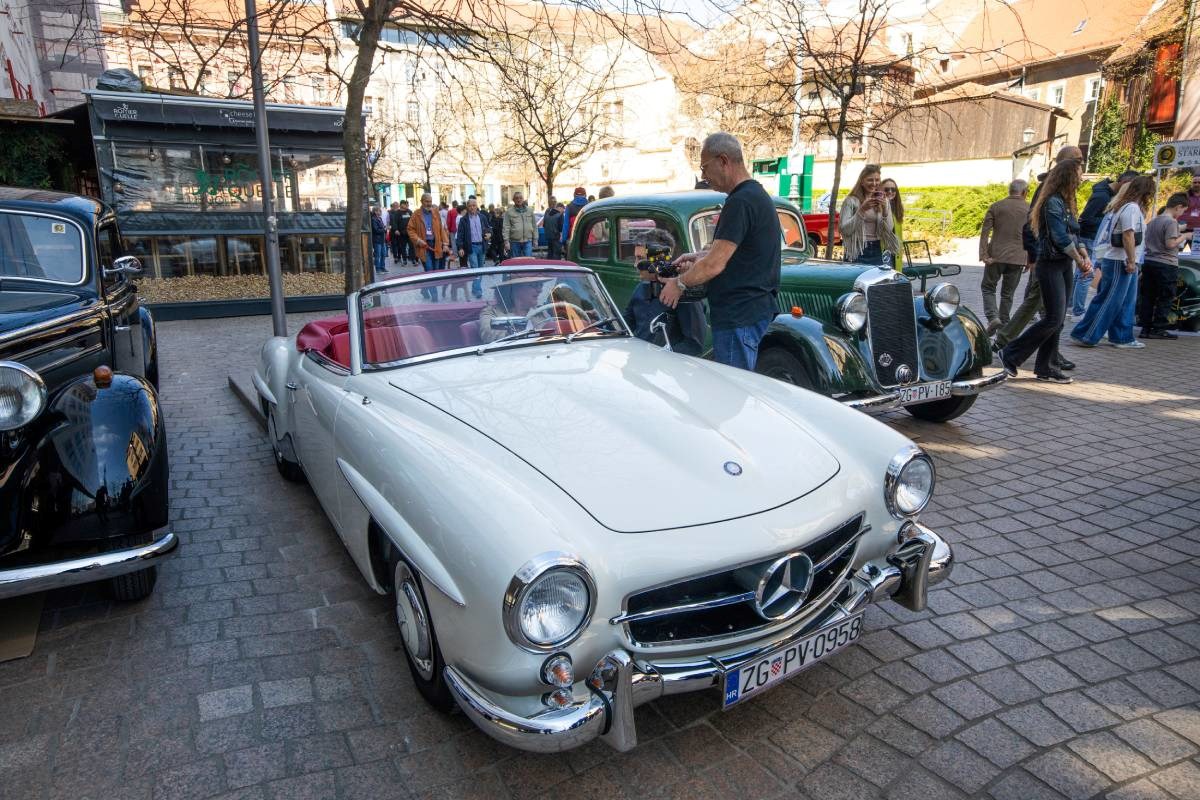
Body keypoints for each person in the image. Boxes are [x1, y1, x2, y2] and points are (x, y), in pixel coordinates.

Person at [659, 132, 781, 370]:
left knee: (732, 387)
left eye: (704, 168)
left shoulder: (740, 202)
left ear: (723, 160)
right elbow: (739, 253)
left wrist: (678, 284)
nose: (704, 176)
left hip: (738, 316)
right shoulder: (755, 196)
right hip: (751, 312)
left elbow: (715, 264)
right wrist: (698, 256)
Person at [992, 145, 1084, 375]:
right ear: (1068, 169)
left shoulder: (1065, 198)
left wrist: (1082, 252)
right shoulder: (1051, 197)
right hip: (1049, 260)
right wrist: (1033, 256)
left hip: (1061, 262)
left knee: (1054, 315)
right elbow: (1053, 234)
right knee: (1049, 314)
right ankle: (1009, 349)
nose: (1082, 171)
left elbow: (1074, 230)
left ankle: (1047, 363)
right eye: (1079, 164)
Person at [1071, 175, 1156, 349]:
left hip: (1120, 259)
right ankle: (1086, 335)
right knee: (1110, 300)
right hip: (1120, 260)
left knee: (1124, 301)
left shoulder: (1123, 206)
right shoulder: (1131, 208)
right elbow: (1128, 234)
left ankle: (1121, 337)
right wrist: (1131, 261)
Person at [622, 231, 707, 356]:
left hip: (663, 365)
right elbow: (625, 323)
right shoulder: (641, 287)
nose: (635, 265)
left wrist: (658, 357)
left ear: (658, 259)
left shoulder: (683, 292)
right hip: (637, 359)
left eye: (640, 259)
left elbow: (694, 345)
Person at [1074, 170, 1139, 317]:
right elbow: (1085, 219)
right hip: (1090, 238)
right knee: (1086, 274)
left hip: (1092, 238)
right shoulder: (1102, 196)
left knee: (1082, 273)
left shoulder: (1107, 194)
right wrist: (1111, 220)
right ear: (1124, 183)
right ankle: (1078, 310)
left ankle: (1073, 306)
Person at [1138, 192, 1194, 339]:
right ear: (1178, 207)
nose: (1181, 214)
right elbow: (1170, 244)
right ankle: (1159, 328)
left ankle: (1145, 328)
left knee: (1148, 297)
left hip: (1149, 262)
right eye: (1183, 211)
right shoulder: (1171, 222)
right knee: (1165, 297)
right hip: (1166, 264)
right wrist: (1185, 236)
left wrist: (1181, 229)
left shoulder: (1153, 221)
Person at [979, 179, 1030, 334]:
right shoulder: (1030, 209)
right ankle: (1004, 326)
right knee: (1008, 294)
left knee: (988, 288)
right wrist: (1030, 258)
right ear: (1024, 192)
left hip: (995, 256)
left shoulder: (996, 206)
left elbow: (985, 232)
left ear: (1009, 191)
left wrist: (984, 254)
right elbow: (1033, 235)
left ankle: (993, 318)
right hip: (1018, 258)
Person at [839, 164, 901, 265]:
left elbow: (889, 229)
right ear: (862, 181)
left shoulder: (883, 200)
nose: (874, 183)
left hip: (876, 250)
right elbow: (844, 230)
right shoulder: (851, 201)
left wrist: (885, 210)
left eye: (877, 180)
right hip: (856, 250)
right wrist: (862, 210)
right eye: (870, 180)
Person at [478, 275, 545, 342]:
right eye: (534, 285)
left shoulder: (541, 311)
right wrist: (511, 334)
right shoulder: (491, 312)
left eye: (541, 285)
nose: (540, 290)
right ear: (514, 288)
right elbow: (487, 334)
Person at [407, 192, 451, 280]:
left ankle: (429, 286)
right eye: (426, 201)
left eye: (430, 201)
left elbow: (441, 229)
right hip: (424, 245)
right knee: (429, 270)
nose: (429, 204)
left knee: (436, 271)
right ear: (421, 201)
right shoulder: (416, 214)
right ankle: (433, 288)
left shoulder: (435, 213)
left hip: (436, 245)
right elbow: (410, 229)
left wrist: (445, 244)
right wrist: (417, 240)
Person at [456, 197, 490, 299]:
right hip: (471, 247)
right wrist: (460, 248)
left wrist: (489, 234)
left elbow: (489, 228)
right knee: (475, 268)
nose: (472, 208)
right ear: (467, 207)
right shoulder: (463, 220)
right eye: (470, 206)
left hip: (482, 246)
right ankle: (478, 290)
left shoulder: (482, 217)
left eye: (474, 205)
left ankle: (475, 288)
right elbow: (460, 235)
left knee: (481, 269)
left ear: (477, 206)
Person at [504, 191, 537, 258]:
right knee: (515, 262)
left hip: (528, 241)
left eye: (520, 198)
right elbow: (506, 227)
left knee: (528, 261)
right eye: (516, 198)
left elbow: (534, 226)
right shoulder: (509, 212)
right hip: (514, 242)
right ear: (513, 200)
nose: (519, 200)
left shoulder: (530, 210)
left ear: (523, 199)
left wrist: (535, 239)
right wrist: (506, 241)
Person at [881, 178, 904, 271]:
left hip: (895, 253)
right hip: (882, 252)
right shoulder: (877, 207)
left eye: (893, 189)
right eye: (886, 189)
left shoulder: (897, 209)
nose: (890, 192)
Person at [370, 205, 388, 274]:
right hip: (377, 240)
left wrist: (385, 228)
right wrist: (384, 229)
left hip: (382, 239)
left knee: (383, 254)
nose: (380, 212)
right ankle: (378, 269)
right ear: (375, 212)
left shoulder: (379, 218)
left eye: (380, 211)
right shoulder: (373, 219)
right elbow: (376, 230)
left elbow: (382, 227)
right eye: (379, 211)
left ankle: (382, 267)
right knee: (378, 255)